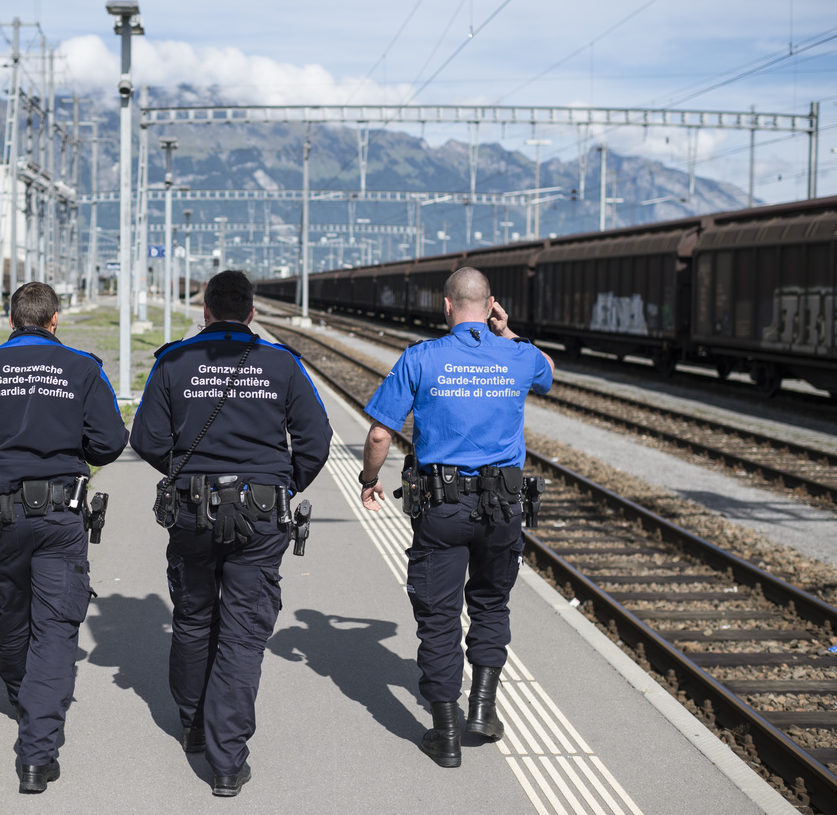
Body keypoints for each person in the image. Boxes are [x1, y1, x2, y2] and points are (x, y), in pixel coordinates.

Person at [131, 270, 332, 797]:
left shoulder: (172, 362)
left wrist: (181, 475)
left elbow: (146, 437)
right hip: (263, 516)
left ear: (205, 310)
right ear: (251, 312)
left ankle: (193, 725)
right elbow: (316, 437)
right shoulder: (282, 363)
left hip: (192, 511)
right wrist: (281, 483)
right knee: (243, 632)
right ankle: (227, 763)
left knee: (195, 617)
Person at [0, 281, 129, 793]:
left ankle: (24, 699)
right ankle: (37, 757)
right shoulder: (83, 367)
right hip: (61, 517)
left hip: (2, 516)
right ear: (55, 320)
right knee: (56, 628)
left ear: (10, 321)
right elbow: (109, 443)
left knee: (12, 616)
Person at [357, 266, 554, 768]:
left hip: (442, 509)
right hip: (504, 508)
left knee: (438, 617)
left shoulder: (421, 358)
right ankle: (482, 712)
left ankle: (444, 736)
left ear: (446, 306)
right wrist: (506, 331)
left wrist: (368, 480)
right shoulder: (517, 354)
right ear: (490, 306)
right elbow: (548, 371)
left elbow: (381, 434)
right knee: (490, 606)